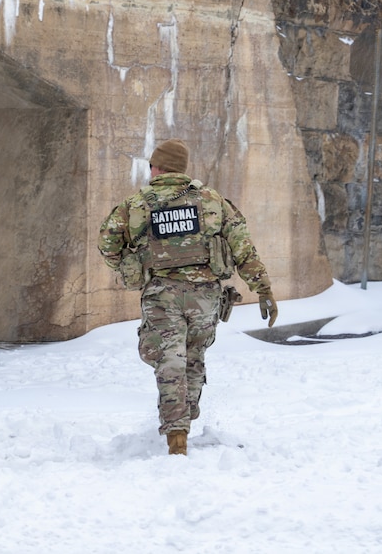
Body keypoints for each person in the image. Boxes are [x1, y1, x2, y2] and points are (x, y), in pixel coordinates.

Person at [98, 139, 277, 456]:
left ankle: (176, 434)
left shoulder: (137, 204)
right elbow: (243, 248)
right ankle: (185, 418)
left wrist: (128, 265)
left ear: (158, 167)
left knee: (169, 362)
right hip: (205, 298)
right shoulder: (212, 201)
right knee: (193, 358)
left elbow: (108, 244)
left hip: (162, 296)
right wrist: (263, 288)